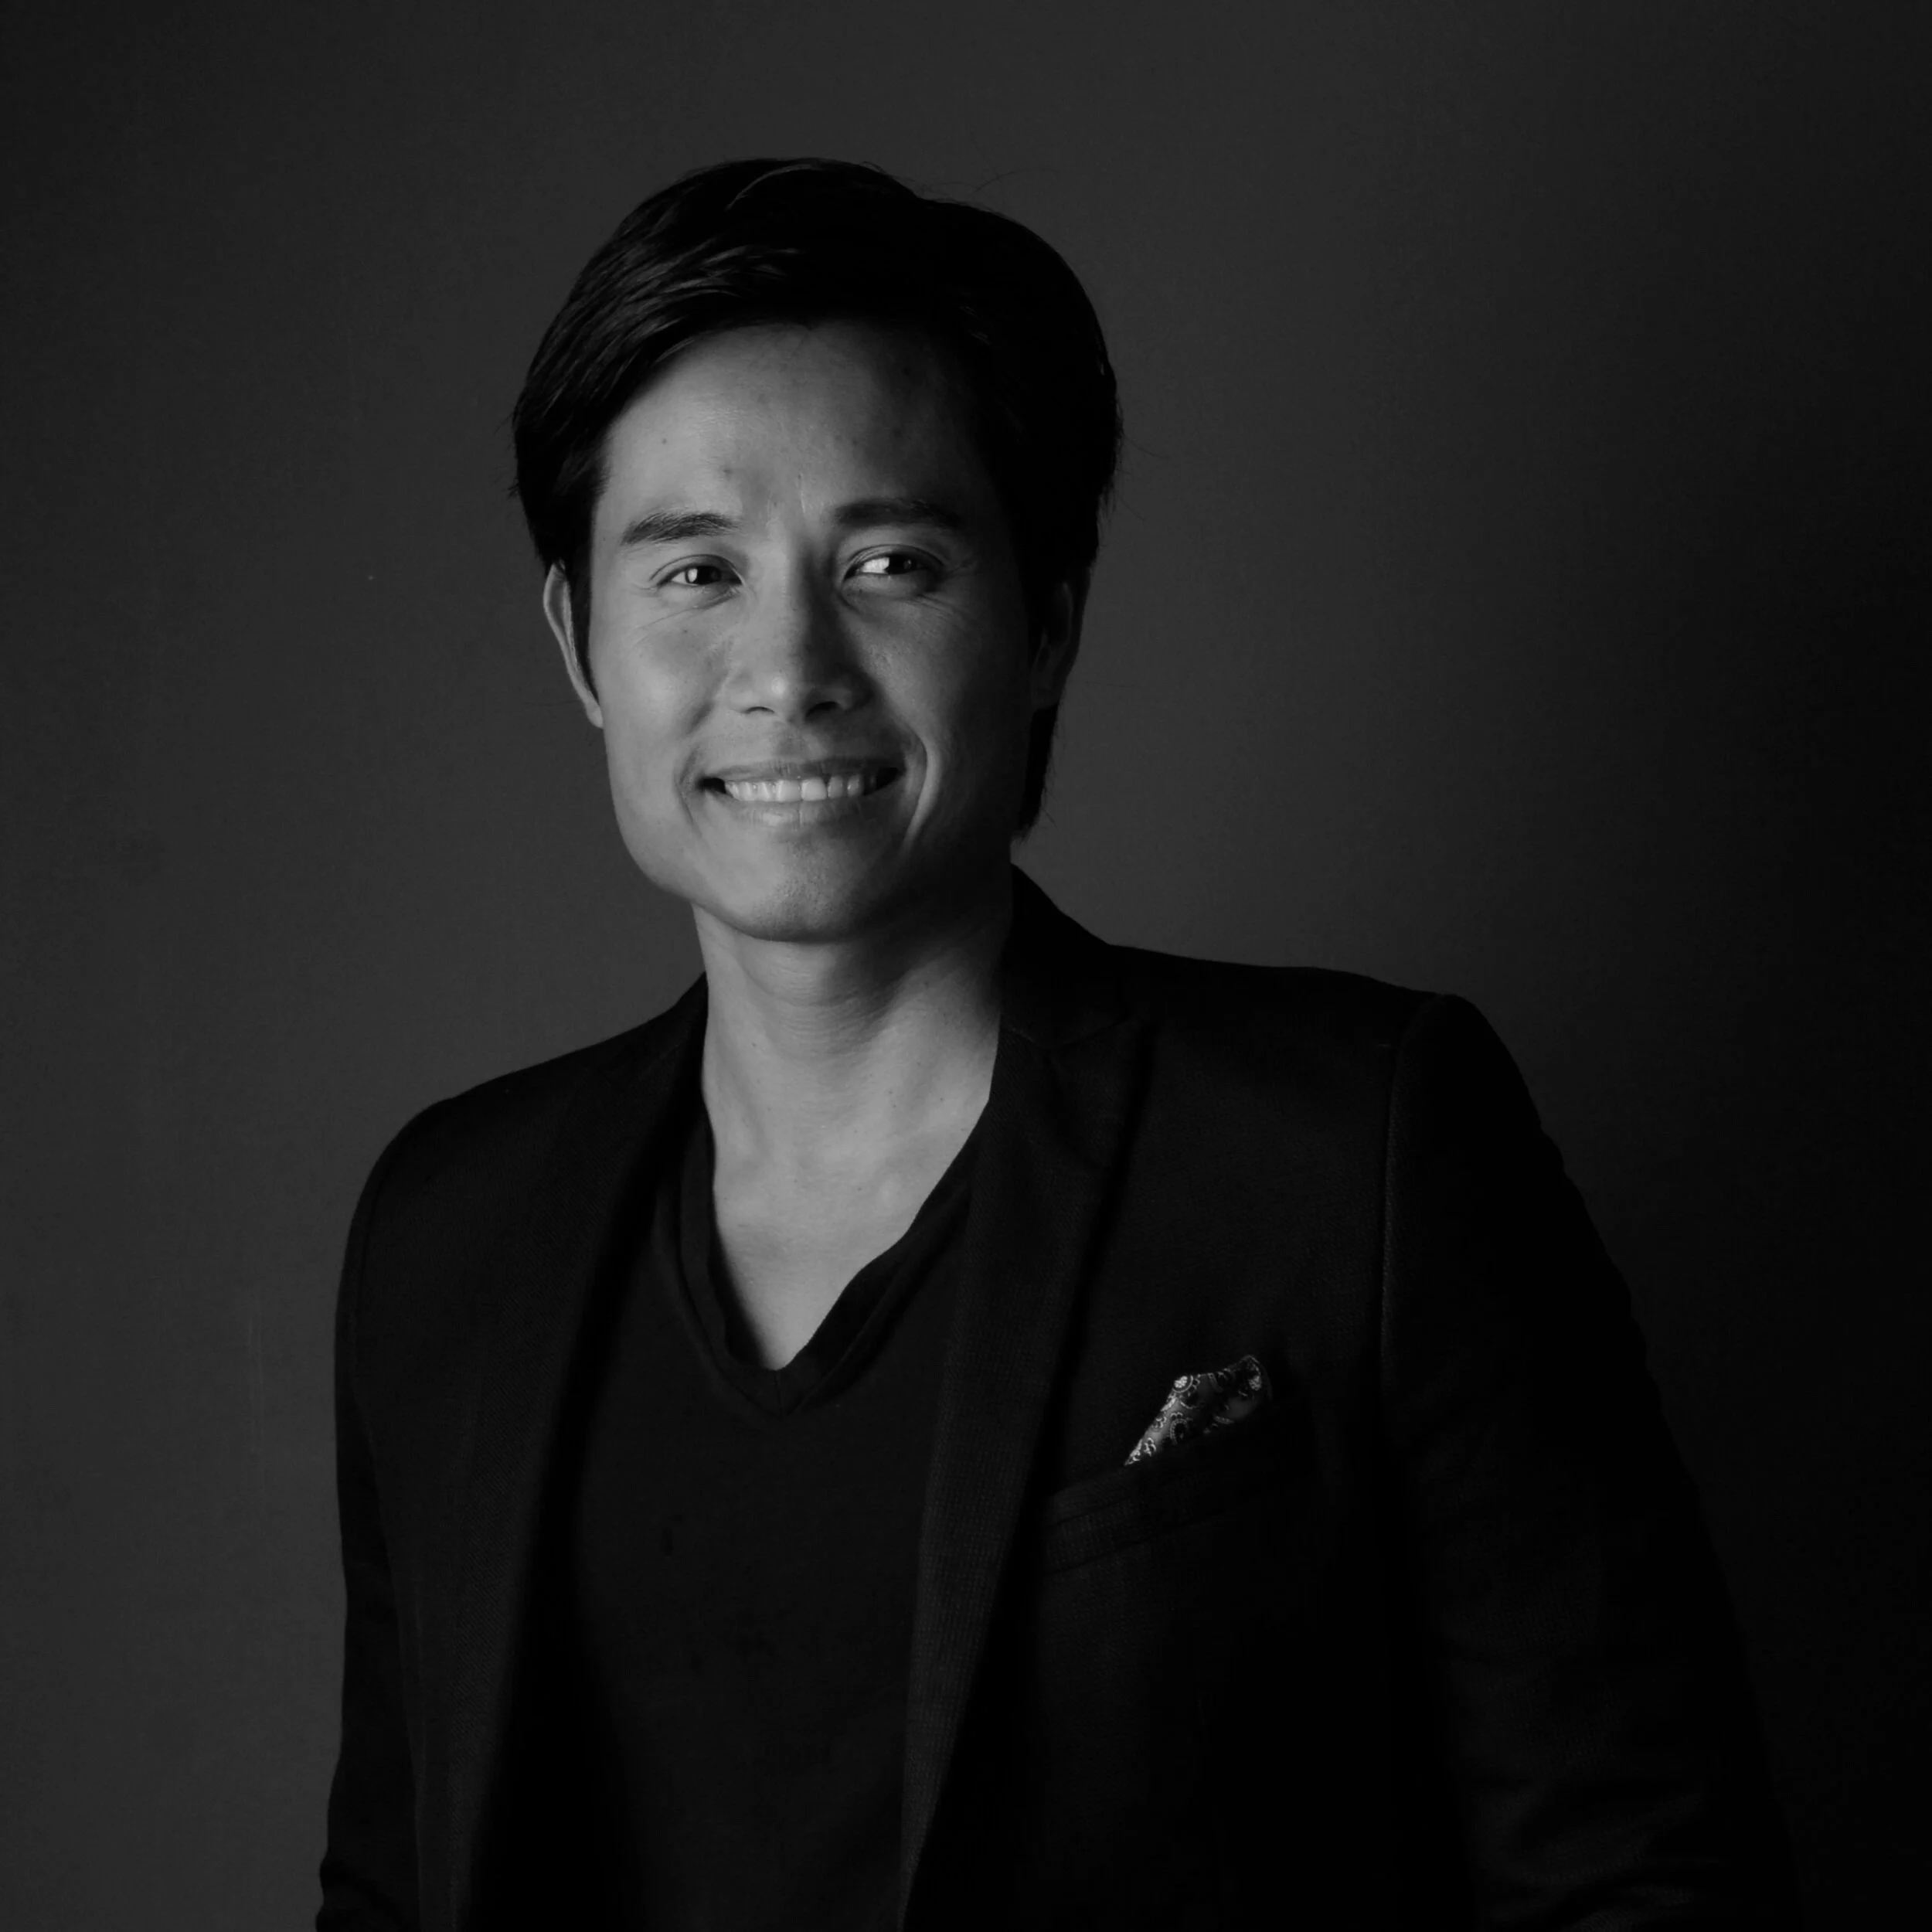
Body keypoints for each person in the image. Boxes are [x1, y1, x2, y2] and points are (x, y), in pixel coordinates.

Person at [317, 158, 1797, 1931]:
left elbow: (1635, 1878)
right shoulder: (450, 1235)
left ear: (1045, 623)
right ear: (580, 642)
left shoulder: (1352, 1151)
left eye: (889, 563)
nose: (787, 665)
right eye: (695, 570)